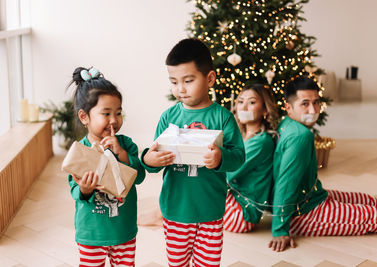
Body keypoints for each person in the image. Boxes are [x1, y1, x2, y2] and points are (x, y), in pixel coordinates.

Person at [141, 38, 245, 267]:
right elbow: (152, 158)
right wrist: (149, 159)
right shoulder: (168, 118)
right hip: (176, 208)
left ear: (210, 79)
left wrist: (220, 158)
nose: (181, 88)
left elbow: (238, 156)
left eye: (188, 80)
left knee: (208, 263)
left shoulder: (222, 117)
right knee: (177, 262)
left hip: (211, 210)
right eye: (174, 82)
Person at [269, 75, 377, 252]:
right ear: (289, 108)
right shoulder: (301, 136)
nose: (313, 110)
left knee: (367, 200)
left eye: (316, 102)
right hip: (304, 213)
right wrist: (279, 230)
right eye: (305, 104)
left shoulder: (288, 124)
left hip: (314, 196)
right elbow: (285, 184)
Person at [67, 67, 145, 266]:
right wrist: (84, 189)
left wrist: (123, 155)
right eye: (106, 113)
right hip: (91, 234)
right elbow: (75, 190)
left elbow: (140, 176)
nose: (114, 120)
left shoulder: (126, 145)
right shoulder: (80, 151)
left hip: (124, 231)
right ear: (84, 117)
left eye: (118, 113)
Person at [223, 84, 278, 233]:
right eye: (240, 102)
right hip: (233, 200)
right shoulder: (241, 136)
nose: (244, 107)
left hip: (241, 215)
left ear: (265, 110)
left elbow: (227, 173)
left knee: (197, 182)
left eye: (252, 102)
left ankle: (162, 216)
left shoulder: (261, 142)